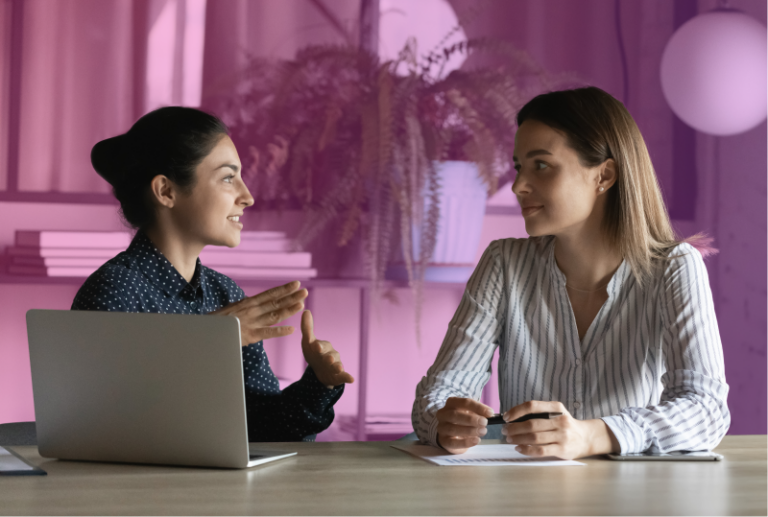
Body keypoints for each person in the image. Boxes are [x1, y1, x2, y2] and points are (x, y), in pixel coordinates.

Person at [412, 87, 729, 459]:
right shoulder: (504, 264)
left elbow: (707, 411)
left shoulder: (675, 267)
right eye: (518, 167)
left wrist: (592, 436)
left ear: (604, 176)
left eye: (541, 165)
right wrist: (445, 422)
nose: (518, 186)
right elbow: (432, 401)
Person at [72, 106, 354, 442]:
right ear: (166, 191)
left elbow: (262, 428)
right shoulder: (112, 291)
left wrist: (319, 383)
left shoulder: (225, 293)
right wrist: (210, 341)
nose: (247, 197)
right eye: (227, 178)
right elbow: (103, 421)